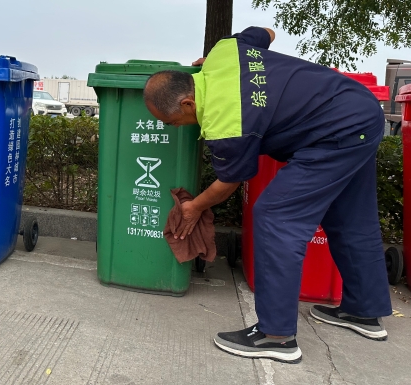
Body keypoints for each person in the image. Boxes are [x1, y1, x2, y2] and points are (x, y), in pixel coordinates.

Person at [143, 27, 391, 364]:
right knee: (350, 217)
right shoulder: (223, 51)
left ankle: (276, 336)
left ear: (188, 101)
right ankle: (363, 311)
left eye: (173, 122)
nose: (176, 127)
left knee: (276, 216)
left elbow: (229, 182)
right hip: (360, 109)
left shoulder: (224, 121)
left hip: (337, 131)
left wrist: (194, 207)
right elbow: (267, 33)